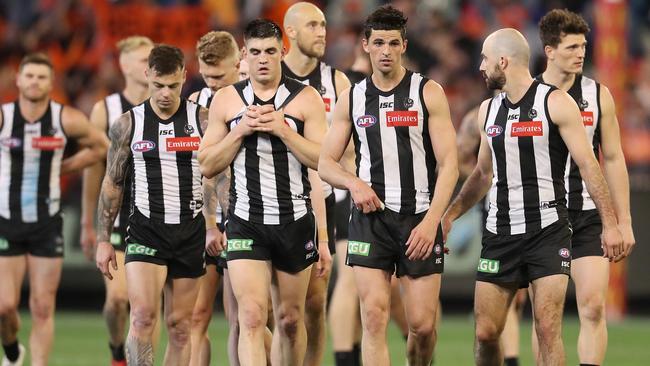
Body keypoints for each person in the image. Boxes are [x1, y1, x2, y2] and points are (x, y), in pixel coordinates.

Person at [441, 28, 623, 365]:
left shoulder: (555, 102)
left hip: (548, 231)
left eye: (485, 58)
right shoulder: (486, 111)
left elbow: (589, 165)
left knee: (548, 328)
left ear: (503, 61)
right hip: (499, 234)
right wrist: (450, 216)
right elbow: (482, 174)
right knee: (485, 331)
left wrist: (610, 224)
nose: (480, 66)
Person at [319, 6, 458, 366]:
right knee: (374, 317)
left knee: (423, 326)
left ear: (403, 45)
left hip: (418, 220)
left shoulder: (428, 92)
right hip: (370, 220)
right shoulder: (352, 97)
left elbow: (450, 166)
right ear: (365, 45)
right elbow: (325, 163)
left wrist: (431, 222)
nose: (385, 50)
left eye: (392, 43)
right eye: (377, 42)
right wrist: (354, 184)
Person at [198, 19, 328, 366]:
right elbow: (207, 164)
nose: (263, 60)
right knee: (251, 317)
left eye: (270, 51)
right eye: (255, 52)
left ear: (282, 52)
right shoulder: (226, 100)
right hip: (246, 221)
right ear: (245, 54)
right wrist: (239, 131)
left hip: (295, 220)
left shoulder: (306, 98)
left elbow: (323, 160)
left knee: (289, 320)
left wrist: (284, 131)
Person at [95, 44, 217, 366]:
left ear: (184, 78)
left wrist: (212, 223)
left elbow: (216, 176)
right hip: (146, 230)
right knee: (143, 318)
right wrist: (103, 240)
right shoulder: (128, 124)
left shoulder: (203, 120)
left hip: (190, 231)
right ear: (147, 75)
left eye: (173, 86)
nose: (165, 93)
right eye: (158, 85)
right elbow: (112, 182)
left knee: (179, 328)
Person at [535, 9, 635, 365]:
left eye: (583, 46)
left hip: (588, 214)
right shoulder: (527, 96)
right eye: (572, 47)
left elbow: (613, 158)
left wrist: (623, 222)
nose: (581, 54)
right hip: (541, 218)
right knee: (546, 319)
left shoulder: (597, 95)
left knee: (593, 306)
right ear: (550, 50)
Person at [0, 53, 108, 366]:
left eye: (41, 77)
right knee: (5, 306)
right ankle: (11, 351)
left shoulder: (66, 119)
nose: (34, 82)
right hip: (7, 221)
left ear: (51, 83)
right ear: (18, 80)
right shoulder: (5, 118)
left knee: (42, 307)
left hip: (47, 224)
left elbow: (101, 147)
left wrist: (67, 166)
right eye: (29, 76)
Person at [80, 35, 154, 366]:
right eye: (142, 59)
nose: (149, 64)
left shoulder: (169, 104)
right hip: (119, 221)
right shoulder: (106, 109)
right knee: (118, 300)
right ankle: (116, 353)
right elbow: (94, 172)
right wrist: (89, 224)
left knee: (149, 308)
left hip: (157, 221)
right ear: (124, 65)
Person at [282, 3, 349, 365]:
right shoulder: (266, 75)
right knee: (270, 311)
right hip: (270, 201)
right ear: (290, 32)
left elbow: (352, 146)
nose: (322, 31)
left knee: (313, 304)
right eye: (312, 25)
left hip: (321, 201)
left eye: (323, 24)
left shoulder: (336, 82)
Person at [457, 104, 528, 366]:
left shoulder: (542, 105)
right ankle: (511, 359)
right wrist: (489, 180)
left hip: (536, 210)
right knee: (508, 289)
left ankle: (511, 354)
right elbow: (460, 155)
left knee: (524, 294)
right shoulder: (479, 114)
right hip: (497, 210)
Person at [186, 30, 240, 366]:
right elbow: (202, 169)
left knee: (244, 319)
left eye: (218, 76)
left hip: (245, 219)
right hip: (204, 220)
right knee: (196, 316)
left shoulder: (257, 99)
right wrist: (207, 224)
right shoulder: (194, 105)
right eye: (206, 76)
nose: (212, 83)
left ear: (238, 63)